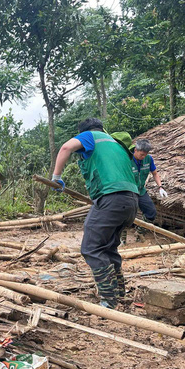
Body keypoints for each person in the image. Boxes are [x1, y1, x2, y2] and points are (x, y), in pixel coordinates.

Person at [51, 118, 139, 309]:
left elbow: (66, 148)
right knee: (109, 247)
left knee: (91, 248)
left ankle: (109, 299)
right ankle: (119, 291)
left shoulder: (91, 136)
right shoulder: (115, 143)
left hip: (112, 198)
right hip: (131, 201)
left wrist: (56, 177)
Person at [131, 138, 167, 222]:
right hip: (129, 191)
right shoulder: (127, 159)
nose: (143, 157)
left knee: (151, 212)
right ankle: (122, 234)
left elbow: (155, 173)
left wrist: (160, 187)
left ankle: (139, 233)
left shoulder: (148, 158)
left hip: (141, 191)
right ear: (135, 150)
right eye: (141, 154)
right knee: (125, 213)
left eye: (145, 154)